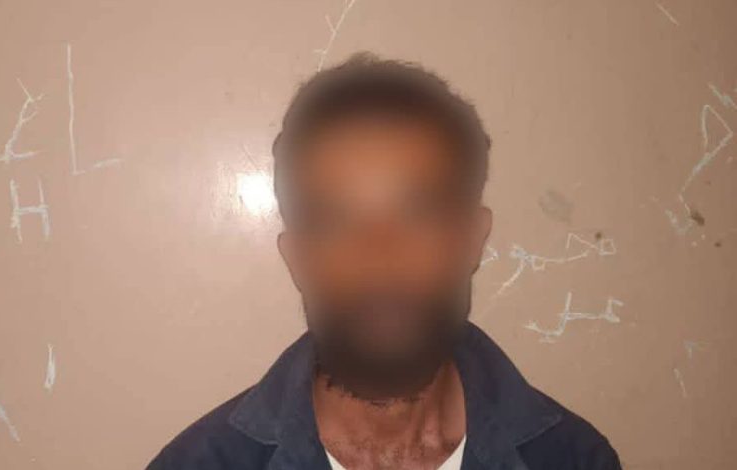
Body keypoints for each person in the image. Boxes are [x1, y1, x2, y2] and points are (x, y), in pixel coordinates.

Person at [146, 51, 622, 470]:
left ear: (471, 240)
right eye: (336, 223)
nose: (380, 262)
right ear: (298, 259)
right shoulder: (198, 464)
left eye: (418, 216)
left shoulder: (573, 459)